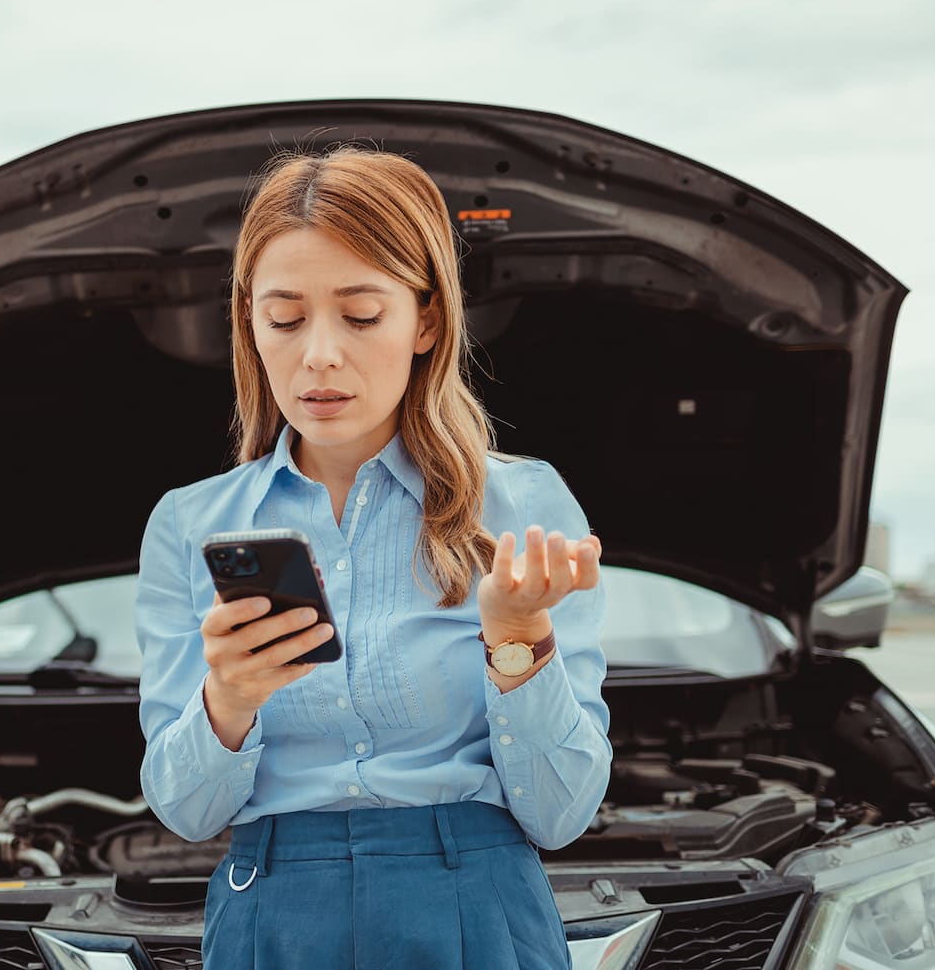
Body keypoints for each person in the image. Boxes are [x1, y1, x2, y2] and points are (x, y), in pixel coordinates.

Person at [135, 146, 610, 969]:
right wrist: (229, 699)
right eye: (284, 319)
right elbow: (185, 811)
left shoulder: (525, 508)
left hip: (478, 909)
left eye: (360, 315)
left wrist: (517, 637)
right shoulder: (188, 524)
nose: (318, 354)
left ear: (426, 320)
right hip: (271, 919)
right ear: (250, 322)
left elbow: (563, 815)